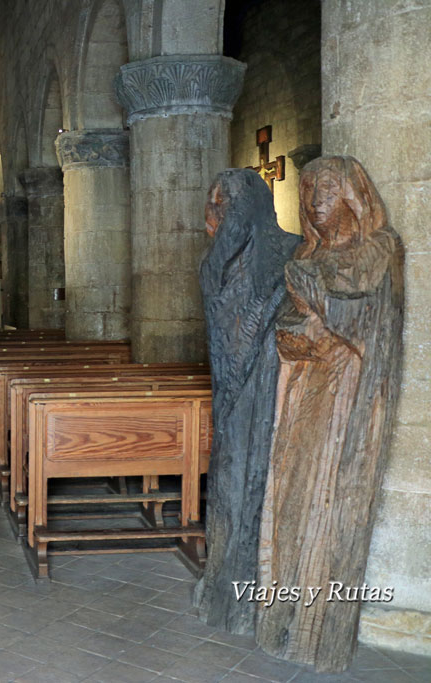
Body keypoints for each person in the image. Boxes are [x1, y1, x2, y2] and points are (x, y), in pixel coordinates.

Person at [256, 156, 404, 671]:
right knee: (294, 499)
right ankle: (283, 611)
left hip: (349, 406)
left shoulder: (377, 251)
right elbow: (290, 327)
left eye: (329, 185)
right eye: (310, 186)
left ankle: (321, 630)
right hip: (304, 398)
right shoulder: (304, 254)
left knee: (331, 505)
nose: (317, 195)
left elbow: (359, 320)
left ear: (353, 194)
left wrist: (312, 297)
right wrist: (299, 330)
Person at [195, 169, 299, 634]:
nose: (208, 217)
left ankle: (256, 594)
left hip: (272, 399)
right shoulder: (216, 264)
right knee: (232, 488)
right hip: (235, 400)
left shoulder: (292, 254)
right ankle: (227, 586)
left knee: (261, 491)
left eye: (220, 206)